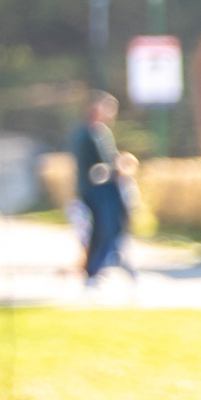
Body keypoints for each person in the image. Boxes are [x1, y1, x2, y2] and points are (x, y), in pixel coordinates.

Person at [71, 92, 135, 289]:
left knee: (111, 229)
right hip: (96, 192)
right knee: (102, 230)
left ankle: (102, 266)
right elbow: (94, 170)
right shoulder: (86, 134)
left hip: (108, 191)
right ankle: (94, 269)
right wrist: (115, 168)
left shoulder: (103, 133)